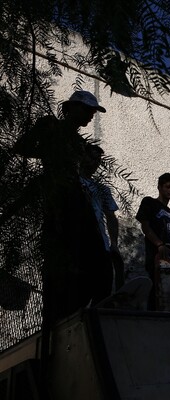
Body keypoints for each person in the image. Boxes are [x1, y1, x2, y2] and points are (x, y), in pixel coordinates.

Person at [13, 90, 108, 319]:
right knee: (65, 255)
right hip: (58, 198)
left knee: (96, 256)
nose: (90, 117)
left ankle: (87, 304)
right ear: (72, 108)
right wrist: (48, 151)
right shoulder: (50, 127)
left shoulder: (79, 142)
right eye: (87, 111)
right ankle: (61, 311)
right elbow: (21, 147)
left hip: (76, 197)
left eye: (93, 113)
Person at [135, 173, 170, 311]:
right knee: (157, 294)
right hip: (157, 257)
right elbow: (145, 226)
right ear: (159, 187)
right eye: (168, 187)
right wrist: (159, 244)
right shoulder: (149, 202)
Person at [80, 143, 123, 297]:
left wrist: (114, 244)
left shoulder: (102, 189)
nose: (95, 163)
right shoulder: (72, 182)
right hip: (79, 243)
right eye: (92, 158)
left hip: (101, 244)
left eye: (98, 160)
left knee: (103, 289)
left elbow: (111, 216)